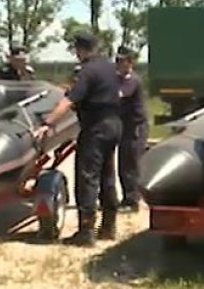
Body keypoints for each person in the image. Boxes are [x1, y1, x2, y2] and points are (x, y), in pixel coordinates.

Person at [33, 31, 122, 246]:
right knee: (107, 175)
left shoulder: (87, 70)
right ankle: (108, 226)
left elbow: (69, 101)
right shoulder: (109, 67)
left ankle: (86, 232)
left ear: (80, 49)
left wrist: (47, 124)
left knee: (87, 177)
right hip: (114, 124)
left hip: (95, 128)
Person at [115, 45, 148, 213]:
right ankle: (128, 197)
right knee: (123, 163)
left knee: (130, 163)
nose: (119, 64)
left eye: (123, 61)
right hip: (125, 127)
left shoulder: (132, 79)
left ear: (130, 62)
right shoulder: (120, 78)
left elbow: (121, 94)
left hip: (135, 127)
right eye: (118, 61)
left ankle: (133, 200)